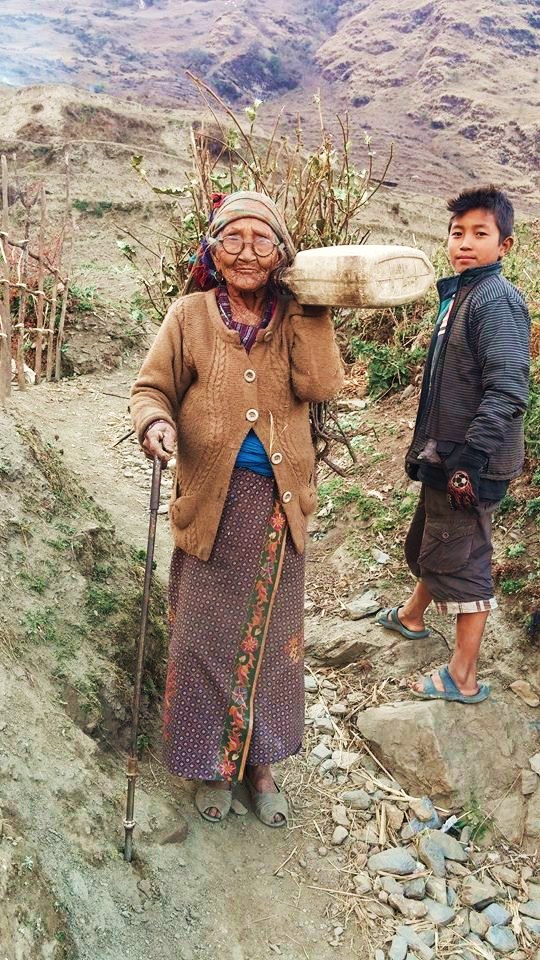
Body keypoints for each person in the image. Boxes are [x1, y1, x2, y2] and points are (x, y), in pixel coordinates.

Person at [131, 191, 344, 824]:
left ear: (281, 252)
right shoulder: (190, 315)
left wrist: (311, 306)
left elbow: (321, 385)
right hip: (208, 502)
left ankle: (262, 762)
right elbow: (152, 387)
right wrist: (155, 424)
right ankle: (210, 765)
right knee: (203, 636)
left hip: (278, 507)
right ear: (213, 250)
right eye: (233, 238)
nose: (247, 251)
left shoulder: (296, 313)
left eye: (261, 239)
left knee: (274, 640)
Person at [377, 185, 530, 703]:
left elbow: (509, 388)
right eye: (457, 232)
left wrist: (468, 460)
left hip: (470, 461)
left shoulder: (495, 300)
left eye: (479, 234)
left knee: (465, 561)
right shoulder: (461, 294)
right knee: (436, 539)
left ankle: (462, 677)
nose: (465, 242)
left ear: (504, 246)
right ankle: (412, 616)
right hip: (447, 454)